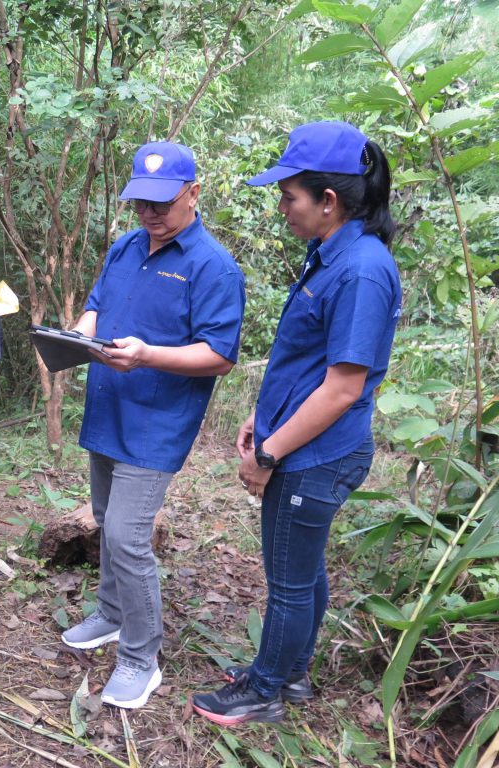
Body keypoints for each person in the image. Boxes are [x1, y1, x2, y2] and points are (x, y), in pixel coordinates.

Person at [192, 120, 402, 726]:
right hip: (300, 442)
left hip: (316, 454)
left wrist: (268, 454)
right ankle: (293, 672)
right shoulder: (330, 253)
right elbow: (310, 357)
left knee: (286, 579)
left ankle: (263, 689)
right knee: (302, 571)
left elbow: (342, 389)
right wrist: (264, 414)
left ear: (328, 202)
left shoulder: (361, 269)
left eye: (289, 197)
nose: (282, 208)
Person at [61, 141, 246, 709]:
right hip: (109, 408)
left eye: (162, 202)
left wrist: (147, 355)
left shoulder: (213, 267)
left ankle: (141, 657)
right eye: (141, 201)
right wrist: (80, 332)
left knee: (126, 536)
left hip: (157, 422)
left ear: (194, 193)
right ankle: (113, 614)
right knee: (101, 518)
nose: (150, 213)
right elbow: (96, 304)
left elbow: (219, 354)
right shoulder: (125, 247)